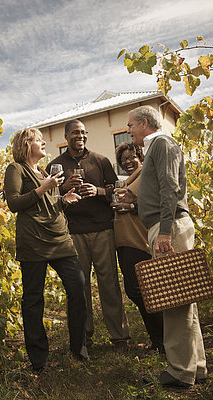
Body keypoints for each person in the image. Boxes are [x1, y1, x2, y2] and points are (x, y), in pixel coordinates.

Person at [122, 105, 207, 388]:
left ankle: (181, 372)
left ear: (144, 123)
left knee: (174, 301)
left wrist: (166, 232)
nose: (129, 130)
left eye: (131, 125)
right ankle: (196, 366)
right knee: (183, 298)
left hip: (168, 227)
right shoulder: (156, 147)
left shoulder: (162, 143)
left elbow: (170, 186)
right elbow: (160, 189)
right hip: (163, 225)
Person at [3, 127, 89, 373]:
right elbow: (14, 203)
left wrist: (63, 199)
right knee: (33, 300)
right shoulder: (16, 169)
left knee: (77, 287)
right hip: (34, 241)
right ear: (26, 144)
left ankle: (79, 347)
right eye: (38, 140)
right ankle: (39, 359)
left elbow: (47, 203)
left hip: (60, 239)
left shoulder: (42, 171)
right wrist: (44, 186)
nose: (43, 143)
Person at [47, 119, 130, 351]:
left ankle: (120, 337)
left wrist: (98, 191)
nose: (80, 136)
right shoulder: (55, 165)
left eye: (83, 132)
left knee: (110, 284)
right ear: (66, 137)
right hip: (73, 233)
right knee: (79, 287)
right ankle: (84, 337)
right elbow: (49, 199)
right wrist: (64, 188)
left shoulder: (100, 160)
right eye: (75, 132)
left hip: (103, 229)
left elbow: (117, 190)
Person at [112, 142, 164, 352]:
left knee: (141, 291)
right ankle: (158, 340)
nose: (127, 162)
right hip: (125, 242)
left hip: (138, 241)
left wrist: (130, 207)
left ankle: (162, 340)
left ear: (140, 157)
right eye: (123, 160)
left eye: (131, 157)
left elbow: (150, 204)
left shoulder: (145, 176)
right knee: (138, 291)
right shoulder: (128, 181)